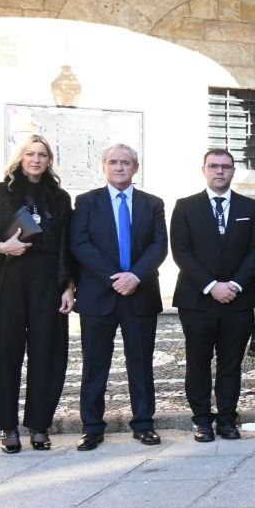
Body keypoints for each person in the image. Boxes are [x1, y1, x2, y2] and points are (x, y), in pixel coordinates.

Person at [0, 134, 75, 453]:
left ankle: (39, 425)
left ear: (50, 161)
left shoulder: (60, 199)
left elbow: (67, 245)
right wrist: (1, 246)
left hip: (47, 279)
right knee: (2, 348)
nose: (36, 160)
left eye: (42, 155)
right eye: (30, 154)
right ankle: (7, 426)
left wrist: (68, 286)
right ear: (20, 158)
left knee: (47, 351)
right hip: (7, 277)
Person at [71, 143, 168, 450]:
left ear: (135, 168)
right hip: (98, 296)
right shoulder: (86, 202)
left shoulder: (152, 203)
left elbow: (158, 246)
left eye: (125, 162)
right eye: (113, 162)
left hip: (139, 294)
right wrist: (114, 277)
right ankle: (92, 427)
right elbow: (80, 244)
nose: (119, 167)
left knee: (140, 363)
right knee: (95, 364)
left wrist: (135, 275)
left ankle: (143, 424)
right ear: (104, 167)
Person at [170, 148, 255, 443]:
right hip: (197, 300)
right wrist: (212, 286)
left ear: (233, 171)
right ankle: (201, 419)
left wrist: (235, 284)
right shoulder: (185, 207)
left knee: (230, 363)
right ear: (204, 170)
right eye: (214, 166)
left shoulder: (249, 207)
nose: (220, 171)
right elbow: (181, 251)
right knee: (197, 361)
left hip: (238, 300)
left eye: (226, 166)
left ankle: (226, 418)